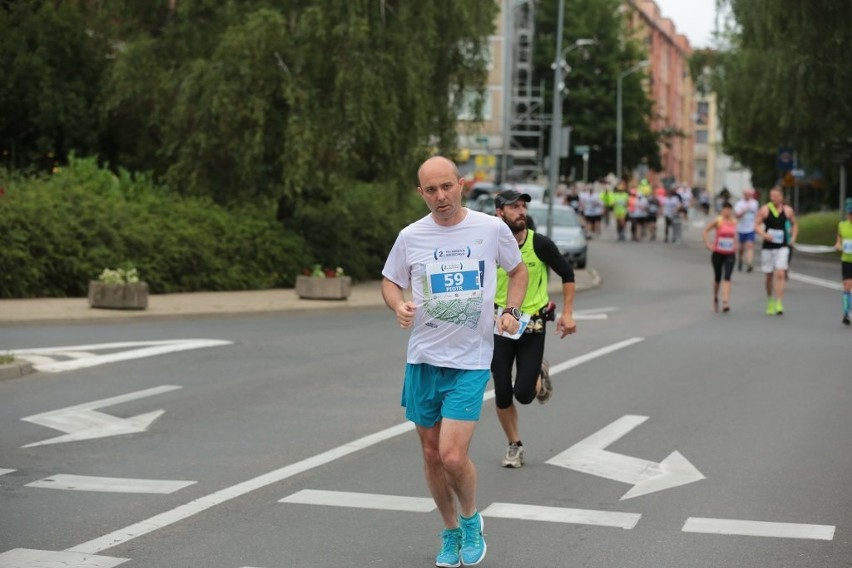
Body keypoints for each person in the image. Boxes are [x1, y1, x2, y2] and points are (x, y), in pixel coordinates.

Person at [382, 156, 528, 568]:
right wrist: (398, 304)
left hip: (470, 360)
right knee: (430, 455)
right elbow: (390, 280)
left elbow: (518, 274)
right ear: (421, 193)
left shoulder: (490, 228)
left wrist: (512, 313)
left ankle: (469, 520)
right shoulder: (411, 236)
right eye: (431, 190)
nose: (440, 196)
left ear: (461, 184)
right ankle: (449, 531)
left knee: (450, 455)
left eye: (447, 186)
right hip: (423, 359)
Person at [491, 189, 577, 469]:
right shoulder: (488, 246)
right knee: (502, 391)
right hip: (499, 325)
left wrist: (567, 313)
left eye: (523, 206)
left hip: (532, 324)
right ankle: (514, 445)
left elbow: (567, 273)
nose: (521, 211)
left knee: (524, 395)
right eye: (514, 207)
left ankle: (538, 371)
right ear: (499, 213)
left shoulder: (539, 244)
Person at [754, 186, 798, 315]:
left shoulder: (787, 210)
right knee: (769, 275)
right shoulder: (765, 209)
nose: (774, 198)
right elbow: (756, 225)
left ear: (781, 197)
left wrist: (793, 237)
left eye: (776, 196)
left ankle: (779, 302)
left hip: (782, 246)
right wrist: (764, 234)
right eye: (772, 196)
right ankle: (770, 300)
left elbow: (795, 224)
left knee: (780, 273)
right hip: (768, 247)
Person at [703, 202, 738, 312]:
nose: (727, 212)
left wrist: (736, 244)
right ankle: (715, 297)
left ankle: (725, 301)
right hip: (718, 252)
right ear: (722, 210)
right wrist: (708, 244)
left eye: (729, 209)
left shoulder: (734, 222)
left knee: (727, 277)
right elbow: (706, 230)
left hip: (730, 253)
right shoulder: (718, 220)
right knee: (718, 278)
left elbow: (736, 236)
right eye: (725, 209)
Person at [834, 198, 852, 325]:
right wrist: (838, 245)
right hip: (846, 259)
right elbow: (838, 239)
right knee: (847, 284)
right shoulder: (842, 225)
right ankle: (846, 312)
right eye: (850, 214)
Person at [734, 188, 760, 272]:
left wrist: (757, 225)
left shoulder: (755, 203)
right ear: (744, 194)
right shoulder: (739, 204)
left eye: (750, 194)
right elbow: (737, 216)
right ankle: (740, 260)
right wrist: (744, 210)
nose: (749, 196)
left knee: (749, 245)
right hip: (741, 228)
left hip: (751, 228)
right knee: (741, 248)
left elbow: (757, 215)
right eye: (747, 194)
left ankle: (749, 263)